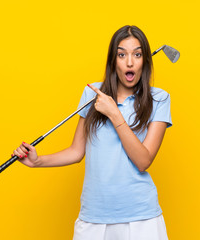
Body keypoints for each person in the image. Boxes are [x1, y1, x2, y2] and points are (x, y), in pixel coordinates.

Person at [12, 25, 171, 240]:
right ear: (113, 61)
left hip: (141, 218)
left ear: (145, 61)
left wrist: (115, 114)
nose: (130, 62)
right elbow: (77, 151)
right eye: (121, 54)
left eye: (137, 54)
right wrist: (38, 161)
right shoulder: (92, 94)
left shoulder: (159, 99)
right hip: (94, 216)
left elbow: (143, 160)